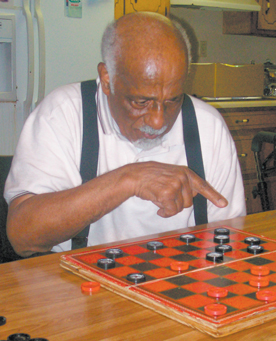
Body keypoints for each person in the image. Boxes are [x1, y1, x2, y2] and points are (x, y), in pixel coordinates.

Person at [4, 12, 246, 257]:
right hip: (74, 284)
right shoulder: (62, 114)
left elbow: (228, 242)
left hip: (177, 280)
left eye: (173, 100)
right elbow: (23, 237)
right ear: (107, 80)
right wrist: (129, 179)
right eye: (141, 102)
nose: (158, 120)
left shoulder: (208, 126)